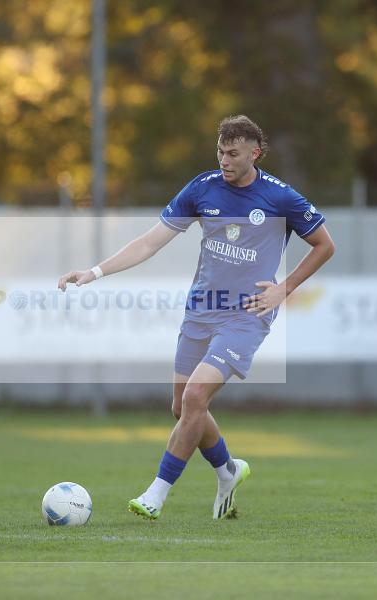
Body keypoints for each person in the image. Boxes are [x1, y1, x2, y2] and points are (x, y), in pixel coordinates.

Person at [58, 115, 335, 520]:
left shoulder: (280, 197)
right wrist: (94, 272)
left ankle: (156, 493)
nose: (225, 159)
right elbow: (151, 241)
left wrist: (284, 288)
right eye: (221, 151)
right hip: (201, 310)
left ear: (254, 153)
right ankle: (228, 470)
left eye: (234, 153)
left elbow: (325, 245)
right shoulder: (202, 188)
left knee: (194, 398)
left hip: (245, 316)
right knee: (181, 407)